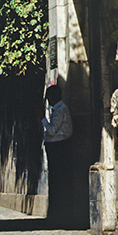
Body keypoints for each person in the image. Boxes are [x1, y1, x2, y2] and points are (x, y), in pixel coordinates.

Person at [42, 83, 73, 225]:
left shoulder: (60, 110)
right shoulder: (59, 109)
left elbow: (52, 130)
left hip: (58, 147)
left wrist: (42, 118)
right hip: (56, 146)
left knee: (58, 179)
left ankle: (59, 214)